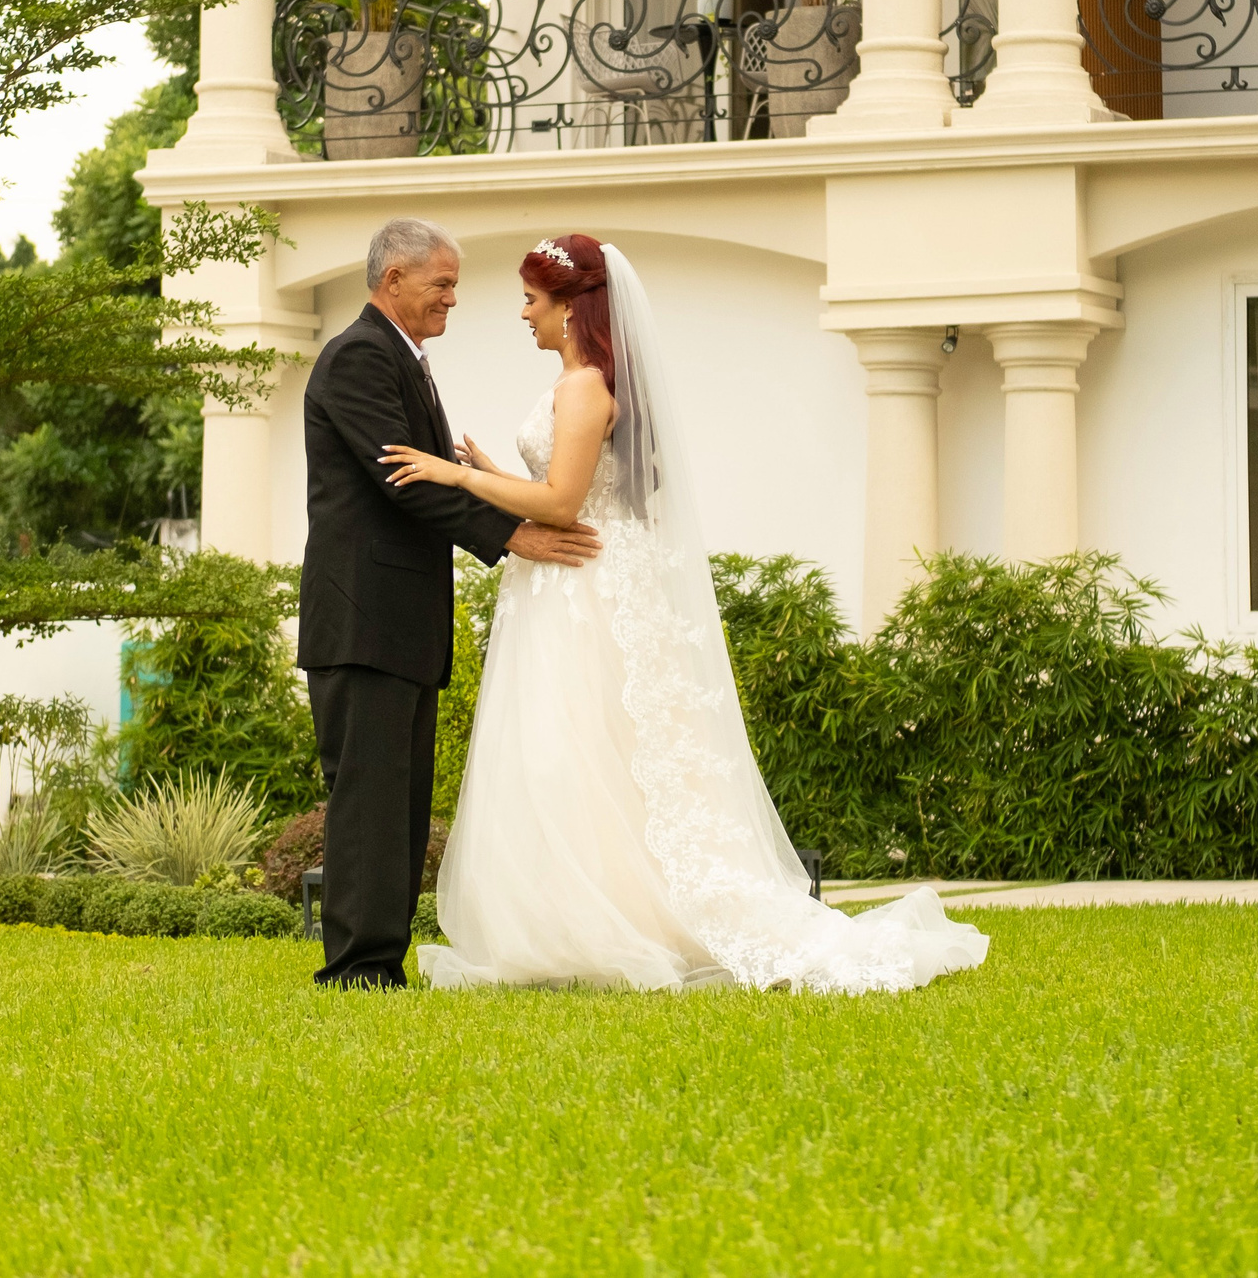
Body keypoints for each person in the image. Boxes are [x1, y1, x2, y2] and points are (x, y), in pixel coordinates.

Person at [379, 234, 990, 993]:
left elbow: (563, 503)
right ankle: (578, 923)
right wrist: (495, 472)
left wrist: (455, 478)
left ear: (571, 308)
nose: (524, 314)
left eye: (532, 301)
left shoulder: (585, 387)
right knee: (576, 754)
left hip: (584, 594)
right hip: (564, 583)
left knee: (581, 751)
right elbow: (574, 488)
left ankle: (616, 924)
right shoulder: (580, 382)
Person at [299, 217, 602, 989]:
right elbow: (405, 480)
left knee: (399, 804)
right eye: (442, 284)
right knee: (369, 801)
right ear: (393, 279)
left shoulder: (403, 356)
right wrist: (513, 536)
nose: (453, 299)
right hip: (362, 619)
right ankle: (358, 968)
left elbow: (433, 476)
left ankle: (380, 961)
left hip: (401, 625)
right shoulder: (359, 357)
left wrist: (495, 493)